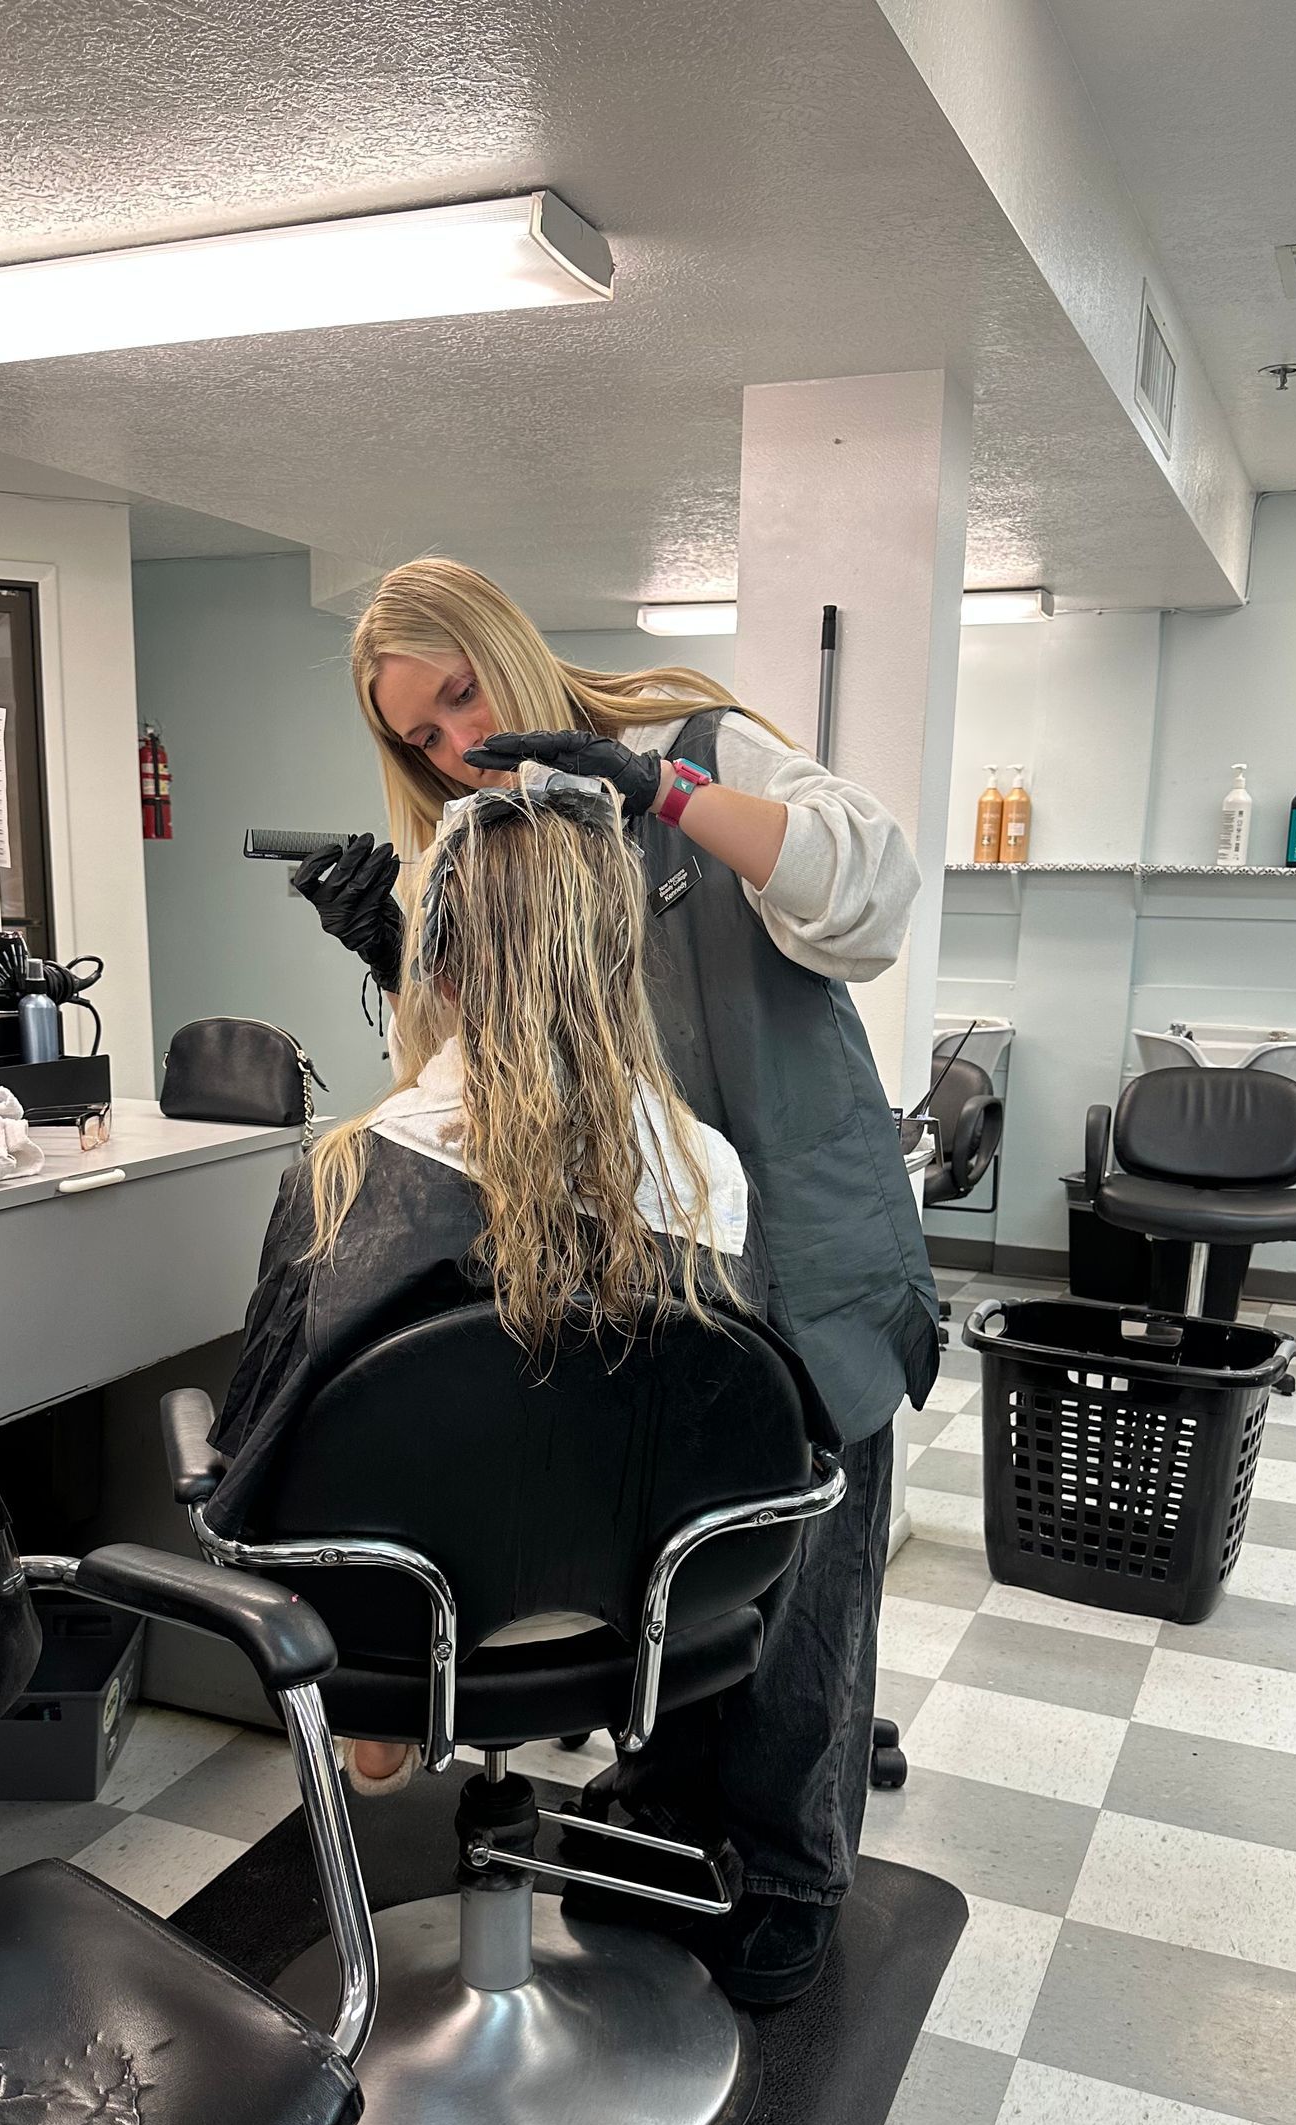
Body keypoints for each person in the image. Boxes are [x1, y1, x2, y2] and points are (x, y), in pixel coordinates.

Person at [309, 556, 938, 2006]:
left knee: (807, 1597)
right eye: (422, 733)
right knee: (670, 1568)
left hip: (800, 1242)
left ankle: (788, 1870)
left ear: (509, 644)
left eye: (464, 694)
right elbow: (488, 1074)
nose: (459, 741)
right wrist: (408, 955)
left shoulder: (702, 747)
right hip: (646, 1276)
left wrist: (661, 798)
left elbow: (869, 900)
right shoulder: (480, 837)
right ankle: (665, 1818)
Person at [212, 769, 761, 1792]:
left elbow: (266, 1451)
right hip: (642, 1599)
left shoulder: (347, 1175)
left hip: (405, 1608)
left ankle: (385, 1728)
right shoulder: (706, 1174)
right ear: (621, 956)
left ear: (442, 968)